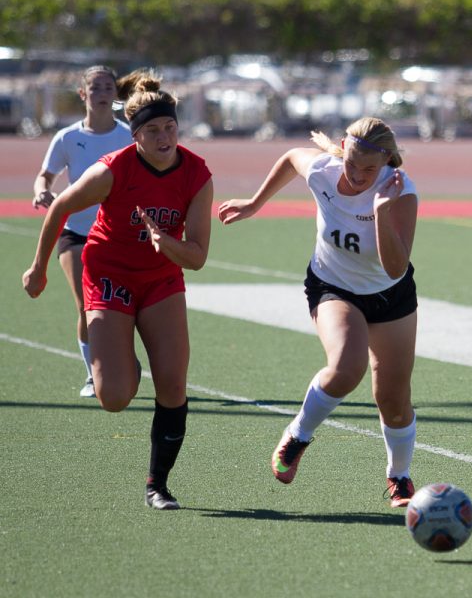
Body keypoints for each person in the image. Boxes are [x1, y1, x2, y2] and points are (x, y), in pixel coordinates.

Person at [23, 69, 214, 511]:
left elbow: (198, 255)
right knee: (114, 398)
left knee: (172, 385)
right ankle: (120, 347)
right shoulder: (113, 169)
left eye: (170, 127)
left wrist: (168, 244)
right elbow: (60, 209)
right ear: (136, 136)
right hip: (109, 273)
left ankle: (157, 485)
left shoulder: (197, 175)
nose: (165, 136)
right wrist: (38, 269)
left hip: (162, 277)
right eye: (153, 130)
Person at [217, 117, 420, 508]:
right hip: (333, 286)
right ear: (343, 147)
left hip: (390, 294)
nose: (359, 175)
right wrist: (255, 204)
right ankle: (298, 434)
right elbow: (293, 157)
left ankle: (399, 477)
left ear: (386, 162)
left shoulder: (399, 191)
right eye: (352, 164)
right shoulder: (324, 170)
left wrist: (380, 211)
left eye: (369, 169)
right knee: (346, 367)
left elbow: (395, 268)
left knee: (393, 399)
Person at [32, 65, 134, 398]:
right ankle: (94, 373)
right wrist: (40, 190)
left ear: (115, 94)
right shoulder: (67, 137)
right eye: (95, 87)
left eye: (108, 87)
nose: (102, 93)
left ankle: (125, 360)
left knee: (123, 305)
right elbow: (46, 175)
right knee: (86, 304)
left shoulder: (129, 135)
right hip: (75, 232)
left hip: (118, 235)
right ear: (83, 93)